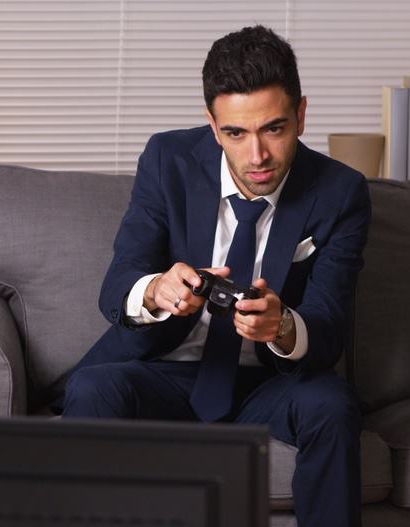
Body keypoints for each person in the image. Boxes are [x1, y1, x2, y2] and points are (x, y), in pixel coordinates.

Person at [61, 25, 370, 527]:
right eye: (236, 133)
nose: (258, 157)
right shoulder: (168, 160)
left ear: (301, 115)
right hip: (165, 371)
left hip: (268, 385)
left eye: (274, 128)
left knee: (331, 405)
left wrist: (284, 327)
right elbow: (119, 280)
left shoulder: (341, 192)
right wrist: (157, 290)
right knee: (94, 389)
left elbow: (329, 325)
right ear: (212, 125)